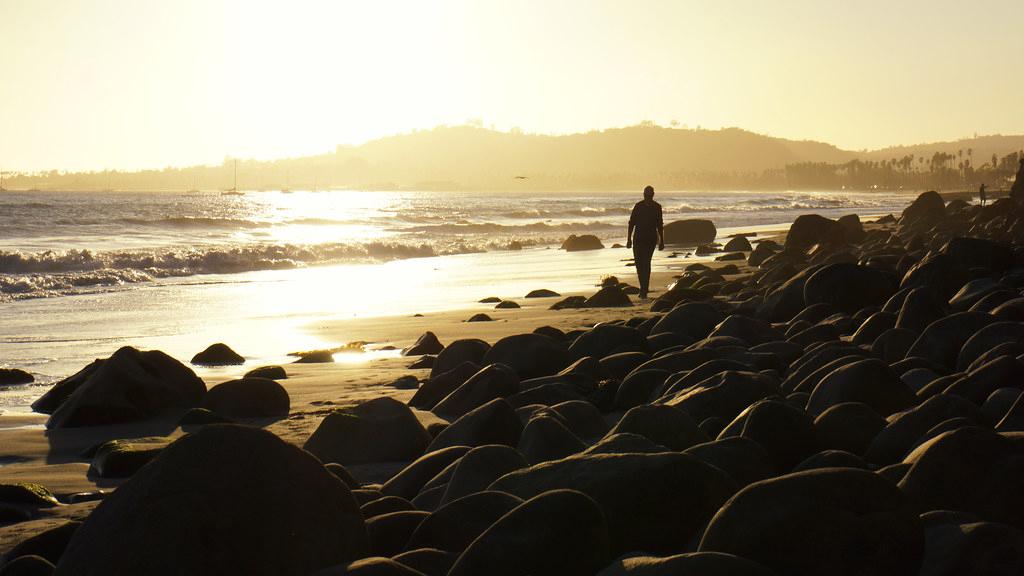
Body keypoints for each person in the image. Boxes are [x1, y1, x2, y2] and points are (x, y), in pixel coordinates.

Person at [626, 185, 664, 299]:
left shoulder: (657, 207)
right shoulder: (638, 206)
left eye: (650, 195)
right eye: (646, 195)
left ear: (652, 195)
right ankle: (643, 287)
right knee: (638, 265)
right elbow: (631, 223)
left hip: (650, 239)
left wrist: (662, 241)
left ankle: (644, 290)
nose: (648, 197)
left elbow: (660, 225)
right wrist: (628, 239)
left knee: (646, 263)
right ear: (644, 195)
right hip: (637, 239)